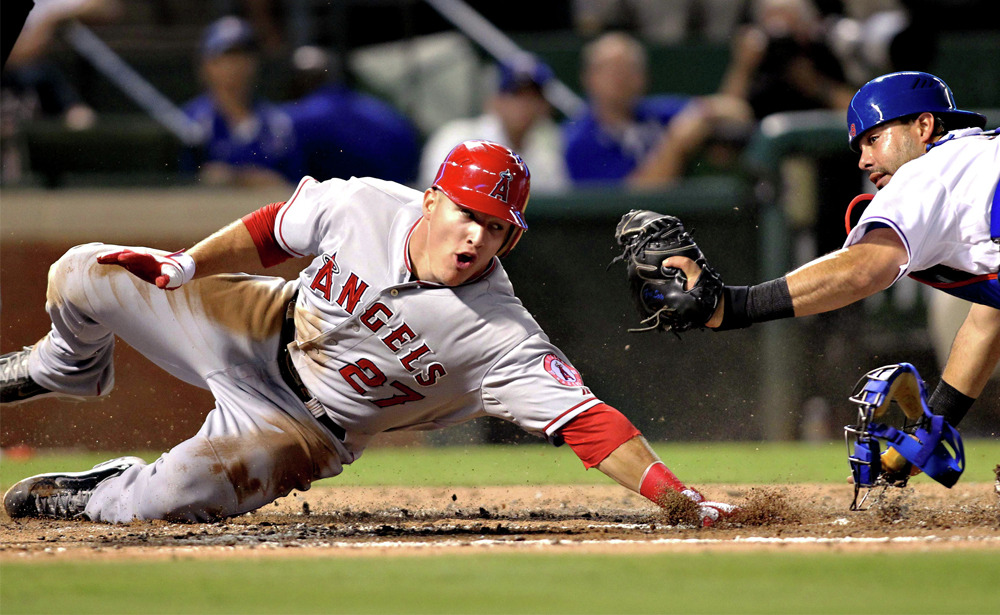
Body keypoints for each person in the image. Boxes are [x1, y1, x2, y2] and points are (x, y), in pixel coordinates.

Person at [0, 140, 735, 527]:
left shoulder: (500, 335)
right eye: (468, 213)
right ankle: (68, 363)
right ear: (434, 197)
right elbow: (271, 231)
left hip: (301, 427)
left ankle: (99, 492)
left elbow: (590, 423)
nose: (476, 236)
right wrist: (186, 262)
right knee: (82, 271)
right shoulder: (365, 206)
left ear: (512, 239)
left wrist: (677, 495)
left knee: (167, 498)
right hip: (259, 325)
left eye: (497, 227)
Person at [662, 71, 999, 476]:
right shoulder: (972, 164)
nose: (864, 159)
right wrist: (933, 425)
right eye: (860, 146)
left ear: (924, 126)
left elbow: (864, 267)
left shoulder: (929, 172)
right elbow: (988, 321)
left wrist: (732, 305)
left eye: (874, 138)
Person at [562, 31, 752, 189]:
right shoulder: (577, 139)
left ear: (644, 77)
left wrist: (706, 117)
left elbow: (734, 110)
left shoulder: (654, 113)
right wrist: (675, 145)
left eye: (629, 69)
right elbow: (627, 204)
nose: (620, 78)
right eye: (610, 69)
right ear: (588, 78)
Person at [180, 16, 301, 187]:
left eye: (244, 54)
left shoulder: (278, 124)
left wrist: (237, 178)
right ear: (207, 65)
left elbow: (295, 189)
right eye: (227, 55)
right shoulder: (188, 121)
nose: (237, 64)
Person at [419, 57, 569, 194]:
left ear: (545, 107)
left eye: (533, 97)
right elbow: (437, 199)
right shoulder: (457, 139)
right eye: (515, 95)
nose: (524, 105)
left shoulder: (547, 153)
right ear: (494, 100)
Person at [282, 45, 421, 185]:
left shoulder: (297, 118)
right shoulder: (376, 107)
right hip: (397, 193)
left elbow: (292, 175)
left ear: (295, 81)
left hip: (346, 199)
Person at [717, 0, 856, 120]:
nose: (779, 25)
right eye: (771, 16)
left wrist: (816, 85)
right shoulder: (758, 55)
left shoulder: (818, 51)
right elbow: (729, 105)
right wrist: (743, 67)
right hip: (758, 131)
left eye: (786, 15)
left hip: (812, 129)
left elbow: (854, 109)